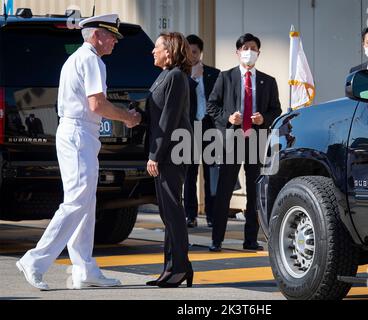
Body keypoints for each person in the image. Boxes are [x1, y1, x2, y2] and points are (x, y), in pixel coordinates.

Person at [16, 14, 141, 290]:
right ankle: (35, 260)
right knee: (76, 202)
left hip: (79, 133)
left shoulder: (80, 59)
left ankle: (84, 268)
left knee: (86, 202)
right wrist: (127, 118)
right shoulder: (92, 60)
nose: (115, 42)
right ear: (97, 36)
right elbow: (97, 104)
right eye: (112, 36)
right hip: (79, 133)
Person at [207, 33, 281, 252]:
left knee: (255, 192)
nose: (249, 52)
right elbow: (212, 105)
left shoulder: (268, 81)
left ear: (258, 52)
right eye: (245, 48)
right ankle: (216, 239)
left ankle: (250, 239)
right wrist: (228, 118)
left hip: (256, 140)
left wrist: (264, 119)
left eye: (253, 48)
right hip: (232, 140)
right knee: (224, 192)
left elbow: (276, 110)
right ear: (237, 52)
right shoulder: (226, 77)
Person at [144, 32, 194, 288]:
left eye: (157, 47)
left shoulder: (176, 77)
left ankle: (181, 268)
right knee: (167, 212)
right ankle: (170, 268)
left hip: (172, 152)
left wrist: (155, 155)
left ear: (170, 51)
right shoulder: (164, 75)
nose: (153, 51)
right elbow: (154, 113)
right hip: (166, 151)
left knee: (173, 210)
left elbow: (169, 119)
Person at [184, 34, 220, 228]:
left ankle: (212, 215)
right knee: (189, 175)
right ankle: (190, 215)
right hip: (189, 129)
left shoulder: (214, 74)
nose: (192, 56)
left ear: (201, 52)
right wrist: (193, 78)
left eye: (195, 52)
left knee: (211, 173)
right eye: (188, 52)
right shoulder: (180, 75)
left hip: (209, 128)